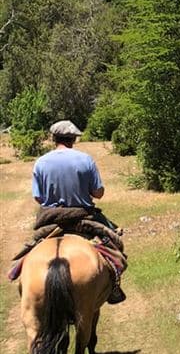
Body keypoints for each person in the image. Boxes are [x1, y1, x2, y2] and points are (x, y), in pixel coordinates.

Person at [31, 119, 126, 303]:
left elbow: (38, 198)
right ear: (74, 139)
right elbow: (98, 193)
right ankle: (114, 287)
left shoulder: (41, 162)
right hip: (84, 217)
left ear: (53, 138)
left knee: (30, 248)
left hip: (51, 220)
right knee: (115, 245)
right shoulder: (85, 159)